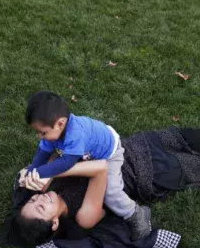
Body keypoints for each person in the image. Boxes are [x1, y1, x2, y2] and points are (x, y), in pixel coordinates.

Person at [6, 120, 200, 248]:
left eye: (32, 202)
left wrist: (34, 173)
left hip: (136, 147)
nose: (38, 200)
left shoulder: (45, 189)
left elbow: (40, 165)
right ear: (55, 224)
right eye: (40, 209)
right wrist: (53, 172)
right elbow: (100, 169)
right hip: (151, 174)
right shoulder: (84, 217)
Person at [23, 90, 151, 240]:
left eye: (42, 133)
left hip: (110, 152)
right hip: (91, 148)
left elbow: (66, 163)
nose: (40, 136)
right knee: (55, 151)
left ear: (60, 124)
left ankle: (135, 213)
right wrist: (31, 171)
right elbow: (43, 152)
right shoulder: (57, 129)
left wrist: (40, 173)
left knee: (111, 192)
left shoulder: (75, 134)